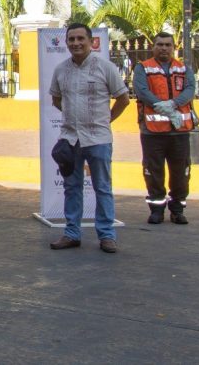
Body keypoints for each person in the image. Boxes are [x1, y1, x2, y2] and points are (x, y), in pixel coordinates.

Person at [49, 23, 131, 253]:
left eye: (80, 39)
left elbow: (123, 99)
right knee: (71, 187)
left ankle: (107, 235)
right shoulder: (61, 70)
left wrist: (105, 121)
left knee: (102, 188)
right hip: (70, 139)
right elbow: (56, 98)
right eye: (71, 39)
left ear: (91, 41)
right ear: (66, 42)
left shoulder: (105, 68)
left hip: (98, 139)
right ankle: (72, 233)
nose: (75, 43)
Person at [133, 32, 197, 225]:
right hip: (152, 131)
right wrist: (162, 106)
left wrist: (173, 104)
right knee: (153, 171)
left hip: (179, 130)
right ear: (154, 46)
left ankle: (177, 210)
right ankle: (157, 210)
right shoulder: (143, 68)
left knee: (181, 172)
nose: (164, 48)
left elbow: (190, 89)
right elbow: (141, 91)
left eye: (168, 45)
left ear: (173, 47)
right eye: (160, 44)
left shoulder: (184, 68)